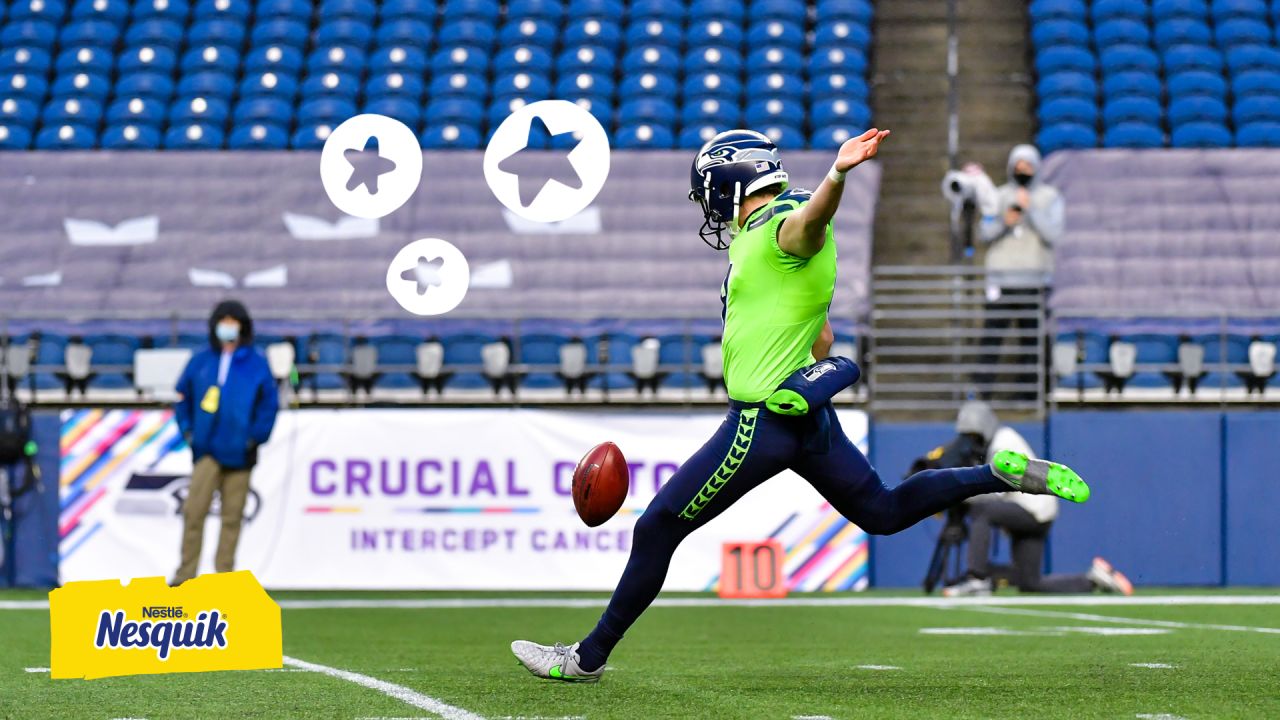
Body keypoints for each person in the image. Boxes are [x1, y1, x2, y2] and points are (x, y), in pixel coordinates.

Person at [511, 129, 1094, 683]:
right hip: (806, 412)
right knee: (884, 512)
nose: (707, 206)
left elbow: (808, 225)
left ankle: (586, 658)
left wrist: (837, 175)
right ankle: (992, 475)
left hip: (760, 421)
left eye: (710, 192)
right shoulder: (762, 235)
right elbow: (822, 340)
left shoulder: (779, 227)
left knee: (658, 526)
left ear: (731, 184)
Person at [941, 401, 1132, 597]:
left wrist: (960, 493)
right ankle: (1093, 580)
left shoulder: (1003, 444)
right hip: (1039, 511)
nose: (973, 442)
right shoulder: (1001, 440)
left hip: (1031, 509)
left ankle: (977, 579)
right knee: (1030, 582)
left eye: (975, 436)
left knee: (982, 512)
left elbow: (996, 490)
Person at [171, 299, 278, 585]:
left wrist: (256, 437)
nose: (228, 327)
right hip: (207, 450)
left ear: (243, 326)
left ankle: (224, 578)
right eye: (224, 321)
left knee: (232, 517)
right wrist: (189, 433)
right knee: (194, 512)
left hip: (241, 453)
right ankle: (186, 575)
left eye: (233, 321)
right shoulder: (201, 361)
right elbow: (182, 398)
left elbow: (269, 404)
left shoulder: (256, 363)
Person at [975, 144, 1065, 396]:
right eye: (1018, 165)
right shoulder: (998, 196)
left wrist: (1031, 209)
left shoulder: (1050, 197)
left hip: (1034, 282)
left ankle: (1032, 393)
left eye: (1027, 165)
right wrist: (1006, 221)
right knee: (991, 338)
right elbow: (983, 232)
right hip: (1001, 282)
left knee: (1032, 340)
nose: (1022, 169)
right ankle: (983, 391)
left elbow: (1054, 234)